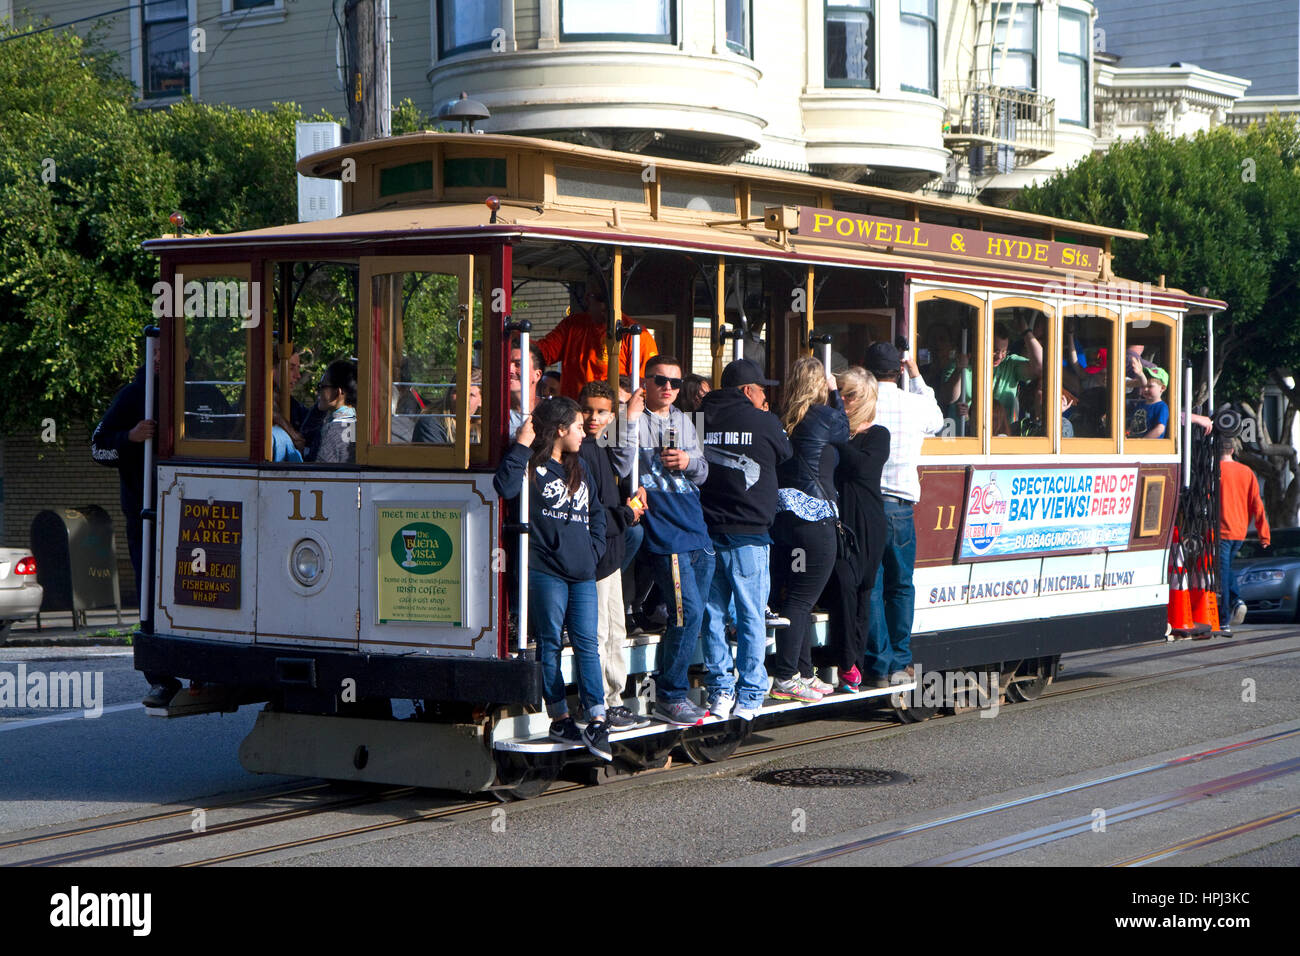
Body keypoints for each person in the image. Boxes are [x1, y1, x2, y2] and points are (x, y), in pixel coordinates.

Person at [494, 397, 612, 760]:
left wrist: (594, 551)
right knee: (549, 642)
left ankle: (597, 717)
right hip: (545, 570)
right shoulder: (532, 464)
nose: (583, 432)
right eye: (577, 426)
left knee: (587, 643)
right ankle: (559, 716)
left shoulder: (581, 465)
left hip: (582, 571)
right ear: (560, 430)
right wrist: (521, 445)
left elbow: (597, 512)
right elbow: (504, 487)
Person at [698, 358, 792, 721]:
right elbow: (786, 453)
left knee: (713, 615)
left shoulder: (699, 419)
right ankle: (751, 693)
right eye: (761, 388)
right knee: (752, 615)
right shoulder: (764, 421)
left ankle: (720, 689)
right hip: (749, 533)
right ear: (747, 390)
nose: (764, 394)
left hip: (707, 531)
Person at [623, 354, 712, 726]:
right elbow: (620, 465)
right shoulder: (629, 418)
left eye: (675, 383)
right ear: (646, 380)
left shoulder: (689, 422)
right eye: (660, 380)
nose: (669, 388)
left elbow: (704, 472)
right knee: (685, 611)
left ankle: (682, 689)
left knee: (695, 614)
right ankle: (671, 695)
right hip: (665, 531)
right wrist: (627, 417)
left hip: (697, 529)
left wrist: (688, 462)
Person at [92, 351, 181, 707]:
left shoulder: (198, 391)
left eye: (171, 349)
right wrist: (130, 437)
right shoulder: (134, 395)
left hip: (193, 512)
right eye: (156, 349)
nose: (163, 357)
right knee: (151, 595)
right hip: (147, 515)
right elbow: (97, 448)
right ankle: (160, 678)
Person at [769, 356, 850, 702]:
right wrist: (836, 393)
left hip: (786, 520)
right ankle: (787, 675)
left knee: (798, 596)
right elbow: (846, 431)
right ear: (819, 385)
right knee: (802, 600)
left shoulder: (780, 419)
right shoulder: (826, 416)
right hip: (816, 521)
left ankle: (803, 672)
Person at [864, 341, 944, 688]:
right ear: (897, 370)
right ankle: (900, 661)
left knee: (872, 586)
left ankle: (877, 665)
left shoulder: (860, 402)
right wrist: (915, 371)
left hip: (866, 506)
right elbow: (939, 419)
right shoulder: (915, 404)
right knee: (900, 587)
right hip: (899, 508)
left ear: (866, 371)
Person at [577, 380, 651, 731]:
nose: (593, 418)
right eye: (588, 411)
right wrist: (626, 515)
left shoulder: (601, 446)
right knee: (601, 630)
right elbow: (591, 511)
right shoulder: (580, 449)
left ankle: (615, 699)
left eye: (601, 412)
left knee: (614, 626)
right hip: (596, 551)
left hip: (609, 551)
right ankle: (603, 702)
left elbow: (621, 469)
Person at [822, 367, 889, 693]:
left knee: (863, 591)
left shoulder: (878, 434)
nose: (843, 401)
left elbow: (861, 467)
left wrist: (835, 434)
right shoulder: (834, 432)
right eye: (841, 394)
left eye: (848, 396)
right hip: (836, 520)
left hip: (867, 522)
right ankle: (846, 662)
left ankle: (855, 667)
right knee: (845, 584)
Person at [536, 274, 658, 400]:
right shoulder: (572, 325)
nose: (608, 306)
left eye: (613, 300)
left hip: (613, 414)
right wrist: (518, 338)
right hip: (574, 412)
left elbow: (644, 386)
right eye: (602, 298)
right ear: (588, 298)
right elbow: (542, 353)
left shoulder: (636, 335)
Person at [1219, 437, 1270, 634]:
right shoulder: (1247, 472)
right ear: (1232, 450)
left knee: (1222, 574)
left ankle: (1225, 615)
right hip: (1239, 532)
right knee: (1226, 568)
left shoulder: (1214, 472)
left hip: (1221, 531)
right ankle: (1236, 600)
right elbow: (1257, 505)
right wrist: (1263, 535)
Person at [316, 360, 358, 464]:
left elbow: (321, 473)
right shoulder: (359, 425)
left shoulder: (333, 429)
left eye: (322, 387)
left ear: (339, 392)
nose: (318, 392)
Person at [508, 340, 545, 440]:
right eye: (507, 363)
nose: (510, 370)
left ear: (537, 375)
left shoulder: (550, 413)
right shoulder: (494, 414)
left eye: (518, 364)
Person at [1126, 366, 1170, 439]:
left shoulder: (1161, 406)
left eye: (1150, 386)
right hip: (1135, 445)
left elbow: (1160, 429)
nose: (1145, 389)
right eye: (1143, 386)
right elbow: (1133, 425)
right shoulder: (1140, 404)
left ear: (1162, 388)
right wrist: (1126, 434)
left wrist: (1143, 441)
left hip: (1151, 448)